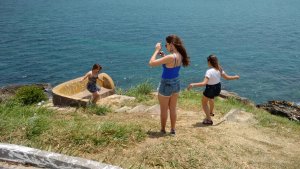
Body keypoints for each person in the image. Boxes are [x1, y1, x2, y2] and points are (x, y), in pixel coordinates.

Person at [149, 35, 190, 135]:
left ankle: (163, 130)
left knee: (164, 109)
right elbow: (170, 65)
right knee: (172, 108)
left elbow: (151, 63)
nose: (165, 46)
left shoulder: (170, 57)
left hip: (166, 84)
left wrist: (156, 50)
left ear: (171, 44)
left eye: (166, 44)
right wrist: (164, 56)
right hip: (176, 83)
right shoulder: (180, 55)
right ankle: (172, 130)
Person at [188, 54, 239, 125]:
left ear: (209, 62)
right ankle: (211, 112)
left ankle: (209, 119)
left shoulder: (209, 71)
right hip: (218, 88)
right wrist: (235, 77)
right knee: (211, 98)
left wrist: (193, 84)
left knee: (204, 102)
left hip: (210, 89)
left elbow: (204, 83)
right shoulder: (219, 69)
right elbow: (227, 77)